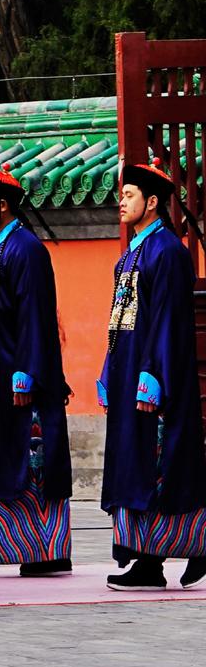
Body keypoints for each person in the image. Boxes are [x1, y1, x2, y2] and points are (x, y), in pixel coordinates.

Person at [0, 165, 74, 577]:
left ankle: (47, 549)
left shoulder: (27, 250)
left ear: (3, 206)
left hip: (21, 377)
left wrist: (26, 371)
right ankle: (0, 543)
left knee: (32, 458)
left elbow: (35, 317)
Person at [99, 160, 206, 591]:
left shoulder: (168, 253)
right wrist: (111, 369)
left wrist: (152, 376)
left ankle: (172, 552)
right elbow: (118, 319)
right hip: (129, 374)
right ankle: (144, 558)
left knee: (161, 465)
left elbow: (167, 323)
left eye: (128, 195)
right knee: (135, 463)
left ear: (153, 201)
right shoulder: (134, 253)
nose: (120, 201)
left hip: (152, 379)